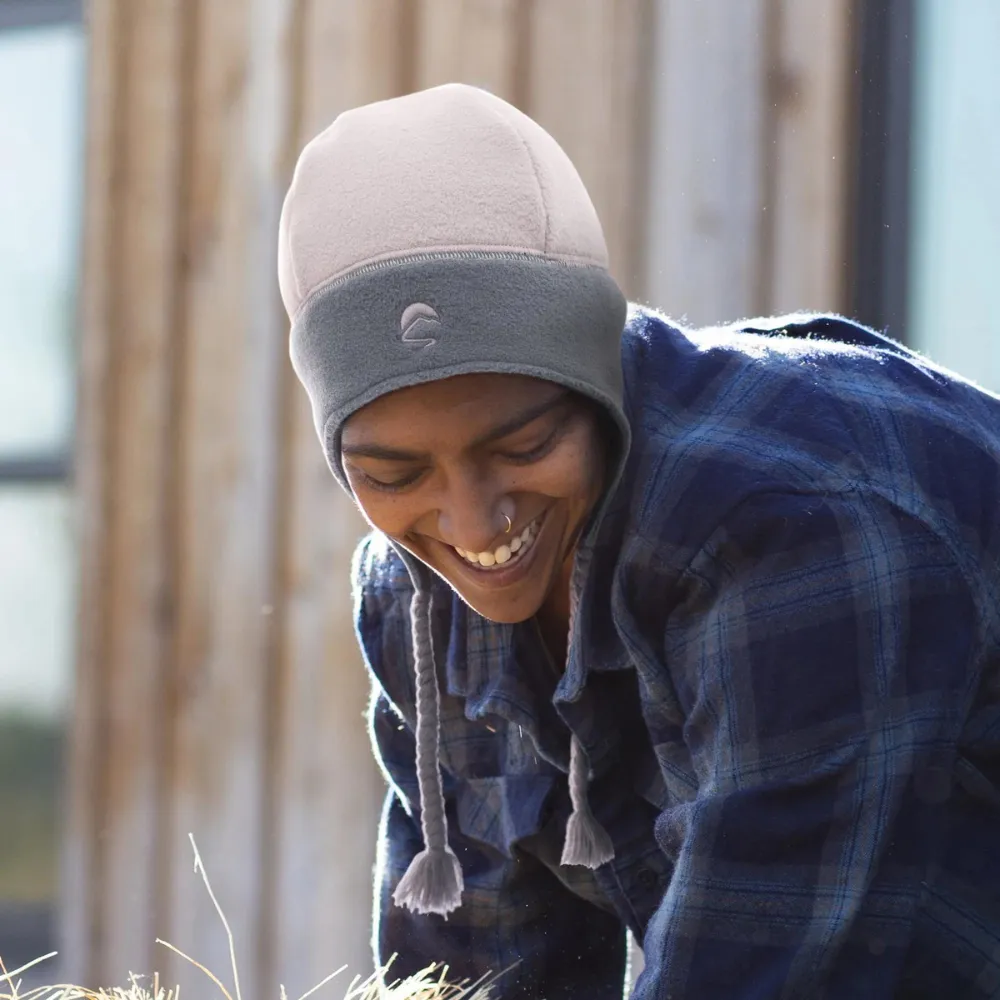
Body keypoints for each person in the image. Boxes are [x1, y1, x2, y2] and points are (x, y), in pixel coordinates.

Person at [277, 83, 1000, 999]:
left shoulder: (793, 526)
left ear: (594, 379)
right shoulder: (416, 598)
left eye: (524, 445)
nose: (470, 523)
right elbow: (480, 973)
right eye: (393, 476)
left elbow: (756, 976)